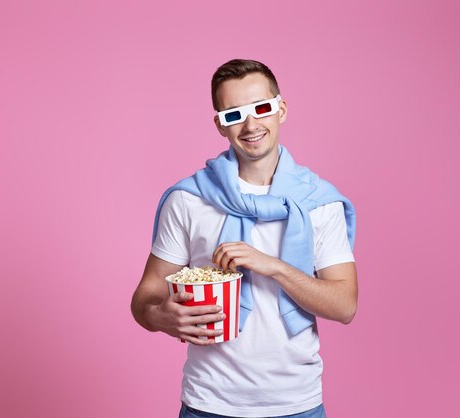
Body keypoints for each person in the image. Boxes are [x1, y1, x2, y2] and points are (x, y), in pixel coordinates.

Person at [131, 59, 357, 418]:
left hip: (297, 404)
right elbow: (145, 298)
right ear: (220, 124)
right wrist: (161, 317)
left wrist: (274, 267)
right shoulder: (189, 199)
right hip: (208, 402)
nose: (251, 125)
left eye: (261, 108)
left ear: (281, 110)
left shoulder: (318, 202)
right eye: (234, 114)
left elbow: (345, 306)